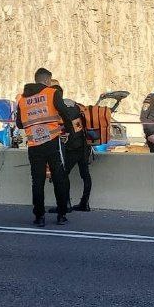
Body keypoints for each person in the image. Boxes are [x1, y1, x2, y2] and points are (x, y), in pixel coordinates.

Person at [15, 67, 73, 226]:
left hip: (34, 144)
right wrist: (68, 131)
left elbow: (19, 123)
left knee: (37, 181)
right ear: (48, 80)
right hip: (53, 141)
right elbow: (65, 114)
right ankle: (61, 214)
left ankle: (39, 217)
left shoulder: (22, 99)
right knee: (59, 178)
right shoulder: (52, 93)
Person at [56, 83, 93, 212]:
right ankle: (85, 203)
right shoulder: (74, 105)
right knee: (85, 175)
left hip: (72, 148)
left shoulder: (61, 109)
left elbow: (68, 129)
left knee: (63, 175)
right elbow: (78, 127)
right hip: (83, 146)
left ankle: (66, 204)